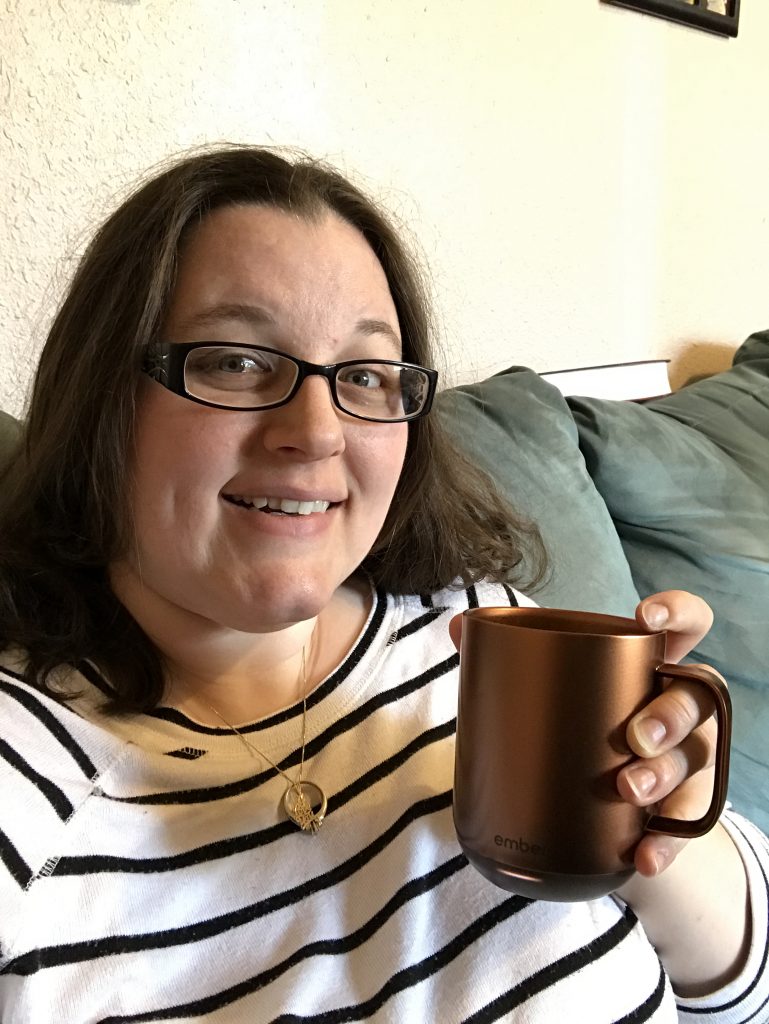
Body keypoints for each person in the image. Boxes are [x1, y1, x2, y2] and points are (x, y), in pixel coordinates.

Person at [0, 146, 766, 1024]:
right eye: (237, 362)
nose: (317, 431)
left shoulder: (482, 632)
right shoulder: (25, 790)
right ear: (105, 395)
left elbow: (740, 989)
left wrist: (663, 833)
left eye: (365, 375)